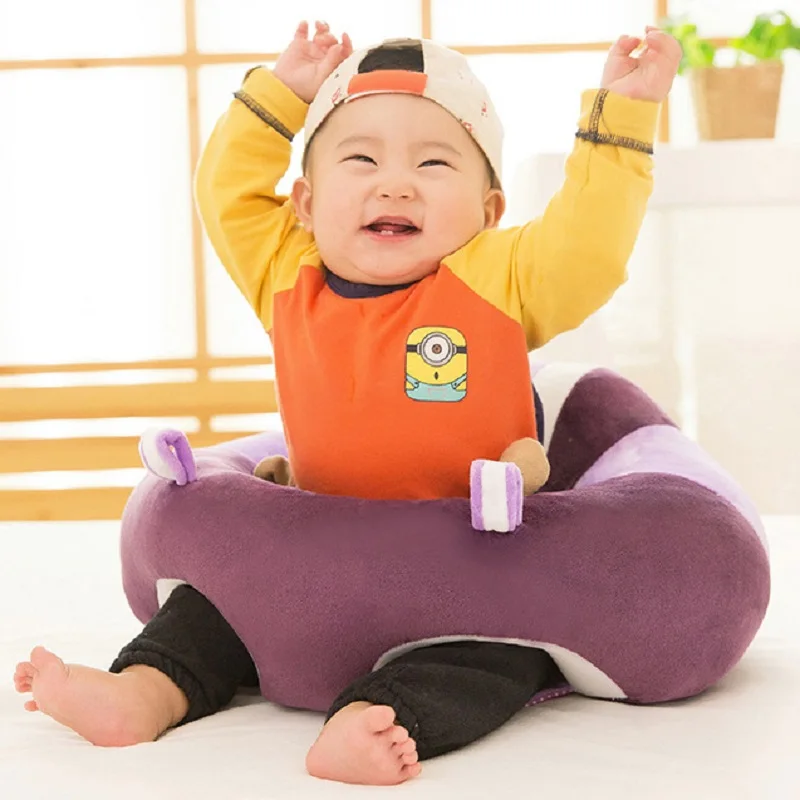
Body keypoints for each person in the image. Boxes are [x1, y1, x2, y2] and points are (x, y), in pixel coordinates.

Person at [14, 21, 681, 787]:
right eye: (360, 160)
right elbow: (224, 191)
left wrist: (621, 120)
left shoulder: (498, 280)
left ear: (490, 211)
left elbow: (587, 242)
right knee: (208, 615)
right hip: (317, 556)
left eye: (434, 164)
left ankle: (380, 718)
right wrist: (282, 96)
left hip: (460, 569)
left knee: (496, 653)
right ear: (303, 201)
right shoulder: (286, 276)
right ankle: (142, 693)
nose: (394, 184)